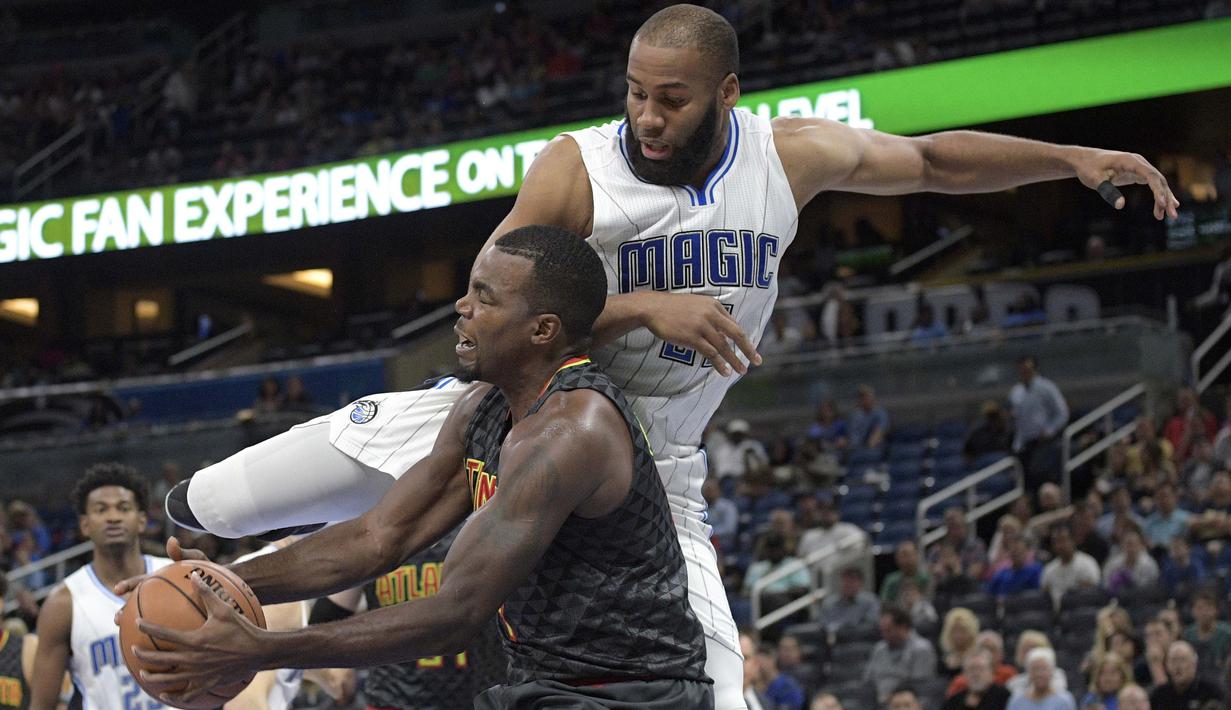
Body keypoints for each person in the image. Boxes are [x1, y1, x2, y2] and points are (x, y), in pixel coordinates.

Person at [164, 5, 1179, 703]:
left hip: (653, 462)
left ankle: (237, 637)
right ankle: (183, 594)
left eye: (673, 99)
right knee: (211, 502)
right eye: (636, 94)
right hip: (495, 410)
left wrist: (1068, 157)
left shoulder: (791, 154)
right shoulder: (577, 167)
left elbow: (927, 161)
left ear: (725, 92)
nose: (647, 119)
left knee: (721, 689)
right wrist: (647, 304)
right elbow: (495, 306)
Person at [128, 227, 713, 707]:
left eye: (485, 297)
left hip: (632, 692)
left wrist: (263, 648)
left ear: (542, 330)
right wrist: (222, 583)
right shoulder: (482, 408)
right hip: (545, 683)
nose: (461, 308)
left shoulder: (570, 432)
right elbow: (376, 537)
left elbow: (456, 611)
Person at [313, 526, 506, 710]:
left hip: (470, 695)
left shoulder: (482, 534)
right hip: (395, 696)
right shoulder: (373, 545)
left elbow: (324, 617)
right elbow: (324, 617)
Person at [28, 464, 172, 710]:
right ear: (85, 525)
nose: (113, 517)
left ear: (141, 521)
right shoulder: (63, 603)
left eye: (123, 508)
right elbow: (42, 705)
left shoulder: (176, 577)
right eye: (101, 509)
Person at [1009, 356, 1069, 491]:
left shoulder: (1047, 387)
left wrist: (1050, 430)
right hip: (1024, 443)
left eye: (1027, 369)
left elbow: (1062, 412)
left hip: (1044, 442)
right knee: (1024, 481)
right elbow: (1017, 419)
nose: (1024, 372)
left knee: (1041, 475)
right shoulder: (1016, 392)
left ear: (1034, 369)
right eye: (1021, 369)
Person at [863, 607, 938, 704]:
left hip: (905, 703)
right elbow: (868, 681)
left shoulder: (922, 649)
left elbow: (921, 686)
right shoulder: (879, 648)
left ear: (903, 627)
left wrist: (893, 697)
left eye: (888, 630)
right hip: (877, 703)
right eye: (882, 631)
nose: (884, 635)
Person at [1148, 641, 1223, 710]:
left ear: (1194, 663)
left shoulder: (1211, 691)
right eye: (1173, 660)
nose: (1178, 666)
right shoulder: (1159, 695)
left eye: (1183, 660)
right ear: (1167, 665)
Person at [1040, 523, 1101, 609]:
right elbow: (1045, 593)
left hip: (1081, 612)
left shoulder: (1087, 563)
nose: (1060, 546)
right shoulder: (1049, 569)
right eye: (1056, 541)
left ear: (1073, 540)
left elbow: (1092, 592)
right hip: (1056, 616)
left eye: (1063, 540)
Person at [1181, 587, 1231, 682]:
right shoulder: (1187, 634)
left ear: (1216, 610)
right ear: (1193, 611)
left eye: (1208, 608)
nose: (1204, 612)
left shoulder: (1227, 633)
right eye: (1199, 608)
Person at [949, 631, 1018, 697]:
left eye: (992, 649)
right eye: (984, 648)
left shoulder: (1008, 675)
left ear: (1001, 654)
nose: (988, 653)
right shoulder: (961, 682)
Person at [816, 566, 880, 634]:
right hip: (834, 639)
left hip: (860, 639)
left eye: (852, 582)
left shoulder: (870, 601)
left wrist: (848, 628)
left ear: (861, 584)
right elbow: (822, 625)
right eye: (846, 581)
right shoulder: (829, 603)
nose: (848, 585)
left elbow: (871, 625)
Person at [1007, 648, 1076, 710]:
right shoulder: (1016, 701)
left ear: (1052, 671)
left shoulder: (1064, 700)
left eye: (1043, 669)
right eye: (1034, 669)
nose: (1039, 674)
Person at [943, 648, 1011, 710]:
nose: (975, 674)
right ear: (964, 673)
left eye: (980, 668)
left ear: (991, 671)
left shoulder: (1005, 697)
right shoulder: (954, 701)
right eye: (971, 669)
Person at [881, 540, 932, 605]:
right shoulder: (891, 580)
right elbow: (884, 603)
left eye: (909, 555)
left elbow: (931, 600)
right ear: (897, 559)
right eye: (903, 556)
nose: (906, 560)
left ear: (917, 556)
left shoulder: (926, 578)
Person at [939, 608, 980, 678]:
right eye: (954, 631)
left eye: (962, 630)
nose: (958, 635)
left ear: (971, 632)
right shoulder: (944, 660)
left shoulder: (978, 658)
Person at [847, 385, 889, 451]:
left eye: (866, 397)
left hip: (873, 448)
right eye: (861, 397)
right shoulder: (854, 415)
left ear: (872, 398)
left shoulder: (880, 414)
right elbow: (852, 435)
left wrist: (867, 448)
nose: (864, 400)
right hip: (855, 448)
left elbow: (878, 433)